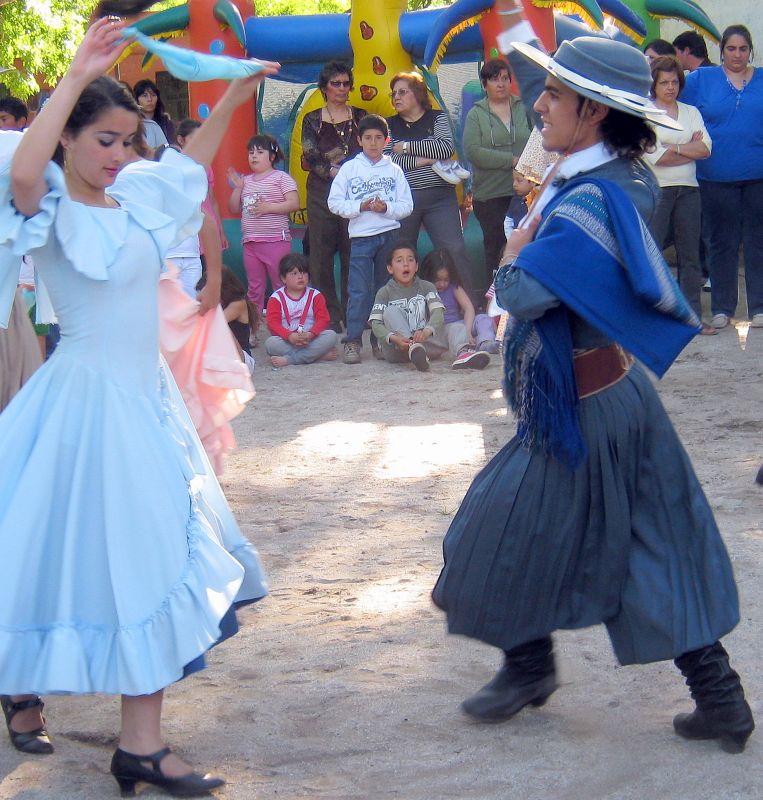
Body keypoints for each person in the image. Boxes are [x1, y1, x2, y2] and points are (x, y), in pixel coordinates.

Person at [432, 0, 754, 755]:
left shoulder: (591, 194)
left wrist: (515, 246)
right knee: (650, 542)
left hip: (581, 410)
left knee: (498, 530)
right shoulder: (603, 176)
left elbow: (520, 293)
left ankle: (529, 667)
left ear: (592, 111)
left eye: (551, 94)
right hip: (601, 399)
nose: (538, 102)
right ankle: (716, 699)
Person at [0, 14, 277, 794]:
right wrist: (77, 74)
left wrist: (232, 96)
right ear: (67, 139)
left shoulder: (141, 195)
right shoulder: (46, 204)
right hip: (84, 405)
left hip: (146, 403)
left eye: (128, 139)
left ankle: (137, 743)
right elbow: (26, 168)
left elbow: (185, 163)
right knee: (65, 554)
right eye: (104, 140)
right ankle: (43, 700)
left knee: (136, 554)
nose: (120, 155)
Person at [681, 25, 763, 329]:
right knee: (720, 242)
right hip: (714, 176)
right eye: (731, 49)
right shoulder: (702, 80)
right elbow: (674, 106)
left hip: (759, 175)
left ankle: (759, 307)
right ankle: (723, 308)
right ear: (722, 51)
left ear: (750, 50)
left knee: (759, 241)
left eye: (743, 49)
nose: (737, 55)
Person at [327, 114, 413, 364]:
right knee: (358, 291)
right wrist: (360, 206)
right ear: (359, 140)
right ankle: (353, 341)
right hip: (362, 239)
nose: (373, 143)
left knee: (384, 291)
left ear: (387, 140)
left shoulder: (394, 169)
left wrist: (386, 208)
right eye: (368, 138)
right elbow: (334, 203)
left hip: (389, 237)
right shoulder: (350, 169)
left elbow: (407, 205)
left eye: (378, 138)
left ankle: (381, 341)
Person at [386, 71, 476, 296]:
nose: (396, 97)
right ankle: (405, 303)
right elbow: (389, 159)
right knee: (403, 253)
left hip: (440, 198)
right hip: (405, 198)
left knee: (454, 248)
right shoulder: (388, 125)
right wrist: (426, 159)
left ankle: (471, 303)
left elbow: (446, 148)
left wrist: (406, 147)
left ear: (417, 93)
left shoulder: (437, 118)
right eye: (394, 93)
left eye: (402, 92)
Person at [642, 56, 714, 333]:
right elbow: (653, 156)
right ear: (654, 84)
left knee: (690, 254)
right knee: (653, 252)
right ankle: (654, 317)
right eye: (664, 82)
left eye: (674, 82)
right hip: (658, 190)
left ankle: (692, 316)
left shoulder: (690, 112)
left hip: (689, 189)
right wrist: (687, 146)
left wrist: (675, 149)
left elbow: (706, 149)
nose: (670, 87)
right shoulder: (646, 113)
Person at [301, 61, 366, 332]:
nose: (341, 88)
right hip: (321, 191)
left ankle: (353, 313)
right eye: (335, 83)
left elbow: (371, 149)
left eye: (345, 83)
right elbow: (309, 154)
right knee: (321, 253)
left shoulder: (360, 116)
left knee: (353, 253)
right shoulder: (312, 118)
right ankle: (328, 315)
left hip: (355, 192)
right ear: (324, 88)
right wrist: (332, 170)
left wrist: (352, 173)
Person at [463, 58, 532, 287]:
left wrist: (527, 171)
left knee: (527, 244)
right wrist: (511, 160)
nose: (501, 84)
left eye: (505, 79)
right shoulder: (476, 114)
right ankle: (495, 299)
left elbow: (537, 140)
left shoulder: (523, 107)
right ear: (484, 85)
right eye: (494, 79)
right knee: (495, 247)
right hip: (490, 194)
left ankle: (526, 292)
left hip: (525, 191)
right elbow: (473, 152)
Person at [228, 134, 299, 313]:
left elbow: (294, 203)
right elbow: (234, 208)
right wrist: (237, 189)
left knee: (280, 284)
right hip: (251, 243)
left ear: (272, 157)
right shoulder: (245, 181)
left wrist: (269, 207)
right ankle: (253, 327)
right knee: (254, 287)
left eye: (260, 152)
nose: (254, 156)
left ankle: (285, 321)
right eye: (251, 152)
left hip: (275, 241)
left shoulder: (280, 178)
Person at [369, 241, 446, 372]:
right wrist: (394, 338)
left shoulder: (427, 287)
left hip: (424, 342)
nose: (405, 264)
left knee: (455, 327)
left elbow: (438, 312)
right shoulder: (384, 292)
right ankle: (414, 349)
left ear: (416, 266)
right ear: (390, 268)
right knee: (390, 311)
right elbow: (375, 324)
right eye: (399, 260)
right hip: (396, 349)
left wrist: (426, 332)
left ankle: (463, 353)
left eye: (410, 260)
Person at [419, 248, 491, 369]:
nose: (442, 284)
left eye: (445, 280)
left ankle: (486, 343)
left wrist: (467, 331)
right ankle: (463, 352)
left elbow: (468, 308)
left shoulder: (454, 288)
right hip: (439, 333)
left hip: (460, 326)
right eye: (437, 280)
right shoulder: (423, 290)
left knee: (482, 319)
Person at [265, 253, 337, 367]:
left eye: (303, 272)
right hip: (287, 340)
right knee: (270, 344)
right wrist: (289, 336)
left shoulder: (315, 295)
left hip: (311, 339)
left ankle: (291, 359)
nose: (300, 276)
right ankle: (316, 356)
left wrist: (310, 334)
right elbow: (273, 324)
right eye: (294, 273)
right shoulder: (276, 298)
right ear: (283, 278)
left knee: (331, 335)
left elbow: (323, 320)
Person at [133, 77, 175, 145]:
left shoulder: (166, 123)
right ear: (136, 99)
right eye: (144, 95)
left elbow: (173, 147)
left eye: (153, 95)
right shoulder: (133, 124)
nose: (149, 99)